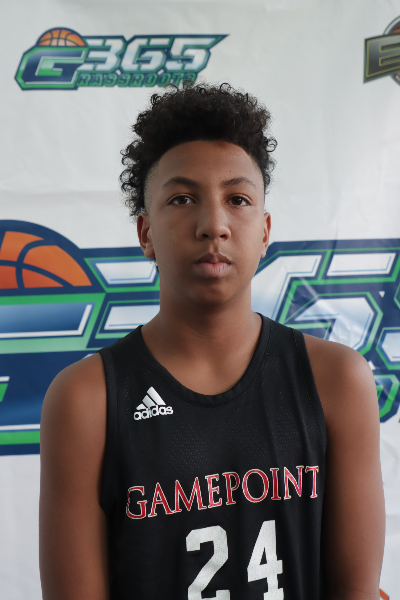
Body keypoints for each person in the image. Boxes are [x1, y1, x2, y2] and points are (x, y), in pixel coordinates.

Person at [39, 84, 385, 600]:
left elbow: (355, 590)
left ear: (264, 231)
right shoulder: (86, 399)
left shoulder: (337, 380)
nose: (214, 225)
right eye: (182, 199)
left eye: (237, 200)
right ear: (145, 232)